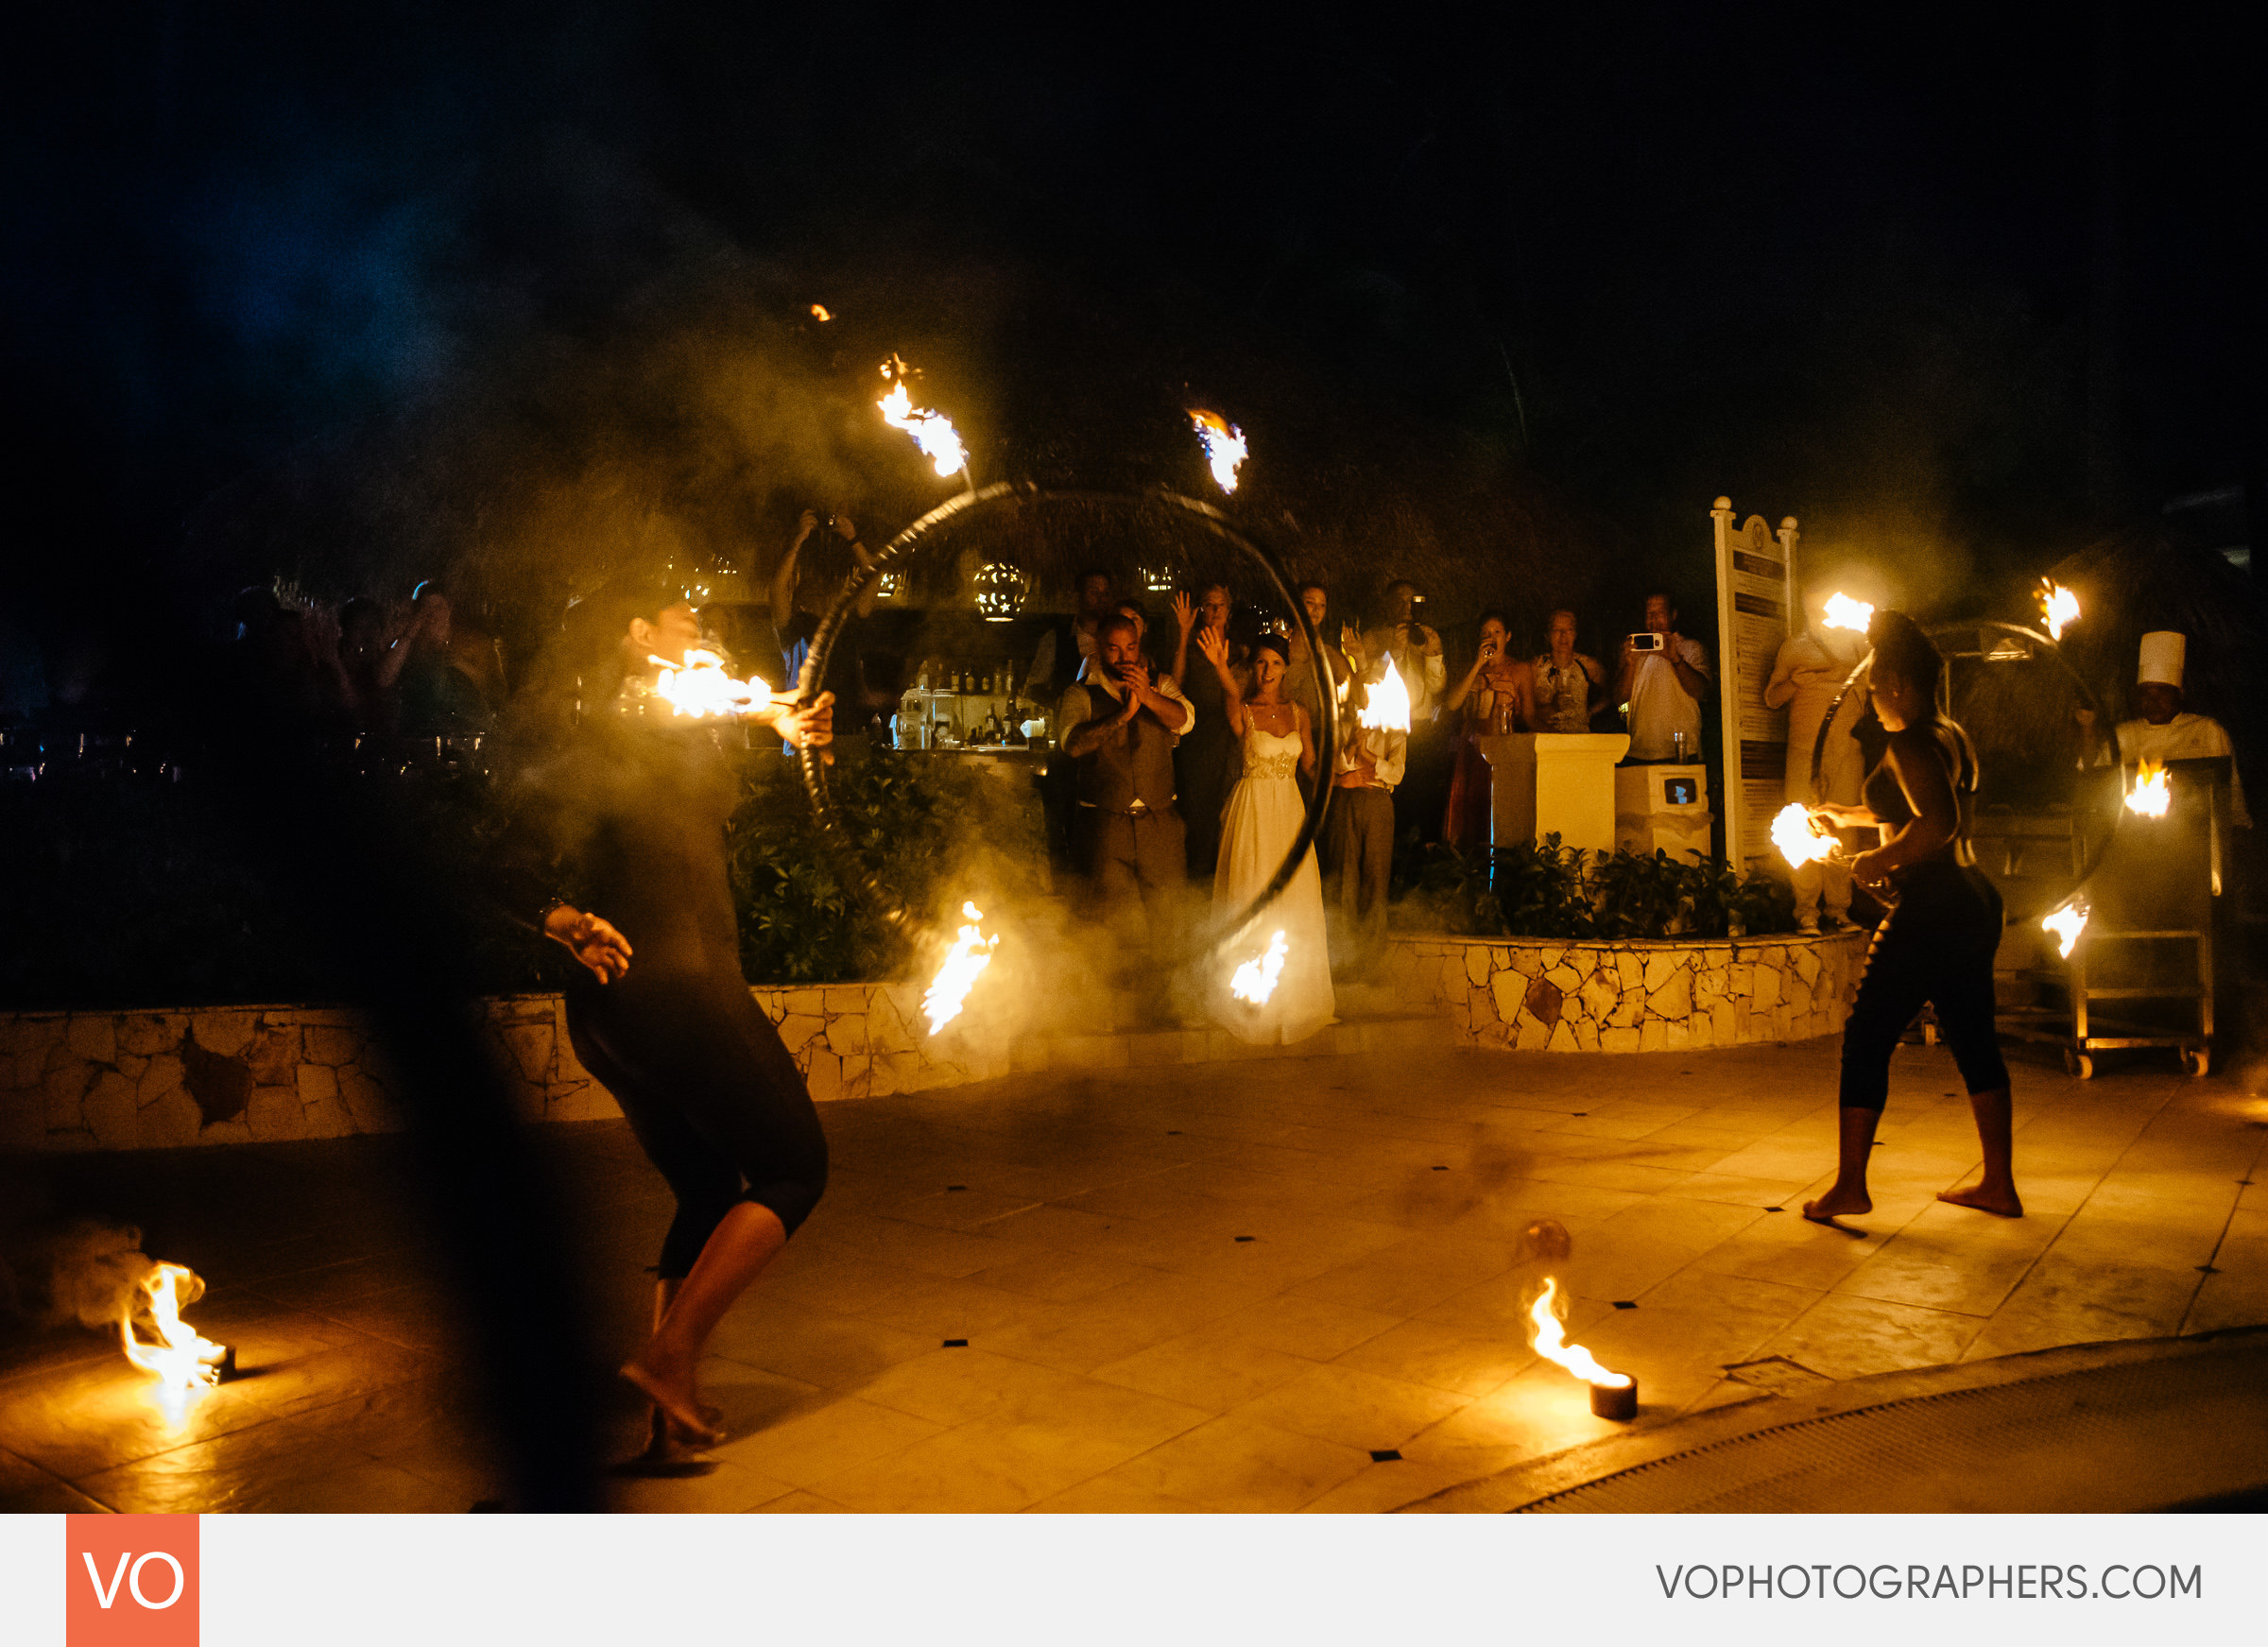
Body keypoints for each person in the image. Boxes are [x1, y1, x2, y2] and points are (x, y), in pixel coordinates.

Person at [497, 577, 835, 1454]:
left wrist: (563, 920)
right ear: (639, 633)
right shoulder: (640, 707)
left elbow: (505, 855)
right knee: (796, 1166)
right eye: (683, 615)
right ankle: (671, 1353)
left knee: (703, 1189)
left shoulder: (600, 724)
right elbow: (673, 713)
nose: (702, 623)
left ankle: (663, 1411)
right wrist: (770, 715)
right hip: (682, 989)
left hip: (609, 1008)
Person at [1799, 609, 2019, 1227]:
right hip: (1972, 903)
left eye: (1873, 688)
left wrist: (1881, 857)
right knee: (1975, 1038)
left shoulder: (1909, 742)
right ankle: (1999, 1183)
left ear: (1895, 681)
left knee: (1866, 1035)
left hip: (1932, 908)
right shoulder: (1949, 733)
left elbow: (1938, 822)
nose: (1869, 700)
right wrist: (1848, 817)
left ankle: (1849, 1186)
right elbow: (1917, 805)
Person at [1195, 627, 1335, 1044]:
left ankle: (1295, 999)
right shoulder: (1243, 709)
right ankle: (1244, 999)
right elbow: (1233, 700)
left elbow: (1310, 764)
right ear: (1252, 667)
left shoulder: (1299, 713)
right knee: (1250, 892)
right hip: (1253, 810)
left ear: (1286, 669)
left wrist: (1344, 765)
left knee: (1296, 899)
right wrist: (1221, 667)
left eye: (1275, 663)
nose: (1267, 670)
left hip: (1290, 812)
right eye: (1260, 662)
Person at [1059, 613, 1196, 969]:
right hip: (1106, 825)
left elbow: (1185, 720)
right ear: (1100, 650)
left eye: (1131, 647)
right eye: (1115, 649)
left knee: (1169, 921)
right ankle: (1110, 1009)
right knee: (1108, 924)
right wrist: (1122, 716)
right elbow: (1072, 744)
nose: (1125, 657)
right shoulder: (1080, 692)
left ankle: (1171, 1004)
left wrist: (1147, 697)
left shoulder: (1161, 684)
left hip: (1159, 824)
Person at [1765, 587, 1871, 931]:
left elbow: (1872, 685)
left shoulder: (1856, 643)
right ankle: (1807, 910)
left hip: (1847, 748)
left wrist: (1842, 677)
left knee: (1845, 826)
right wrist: (1799, 682)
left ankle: (1839, 909)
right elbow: (1772, 697)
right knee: (1805, 823)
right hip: (1803, 750)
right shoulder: (1794, 647)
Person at [2078, 630, 2251, 828]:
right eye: (2146, 694)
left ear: (2180, 694)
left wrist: (2235, 828)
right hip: (2134, 835)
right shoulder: (2124, 734)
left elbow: (2230, 791)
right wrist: (2087, 728)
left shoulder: (2206, 730)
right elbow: (2092, 774)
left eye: (2163, 693)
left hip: (2197, 832)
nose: (2154, 702)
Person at [1324, 640, 1408, 976]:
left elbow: (1396, 772)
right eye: (1368, 683)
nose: (1372, 689)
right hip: (1347, 800)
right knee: (1343, 876)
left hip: (1377, 801)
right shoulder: (1345, 719)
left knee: (1375, 879)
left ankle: (1370, 963)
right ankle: (1340, 961)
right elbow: (1337, 766)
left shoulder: (1396, 728)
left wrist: (1369, 758)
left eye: (1377, 682)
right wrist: (1353, 745)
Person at [1170, 582, 1246, 879]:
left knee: (1226, 801)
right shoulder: (1189, 645)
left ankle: (1221, 870)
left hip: (1229, 731)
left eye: (1220, 606)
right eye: (1209, 605)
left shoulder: (1240, 647)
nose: (1214, 612)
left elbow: (1241, 693)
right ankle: (1196, 870)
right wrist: (1184, 632)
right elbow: (1175, 684)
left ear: (1228, 611)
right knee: (1196, 802)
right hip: (1197, 733)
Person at [1440, 612, 1532, 850]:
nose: (1491, 638)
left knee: (1496, 809)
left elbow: (1529, 715)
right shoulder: (1469, 669)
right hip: (1470, 749)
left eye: (1497, 632)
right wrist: (1477, 664)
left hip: (1502, 749)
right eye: (1485, 633)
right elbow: (1451, 704)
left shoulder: (1520, 669)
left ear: (1508, 636)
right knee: (1466, 814)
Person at [1614, 592, 1711, 762]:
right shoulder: (1634, 652)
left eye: (1660, 613)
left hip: (1682, 752)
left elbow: (1700, 693)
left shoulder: (1690, 648)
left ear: (1673, 615)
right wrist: (1629, 664)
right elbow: (1620, 701)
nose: (1654, 619)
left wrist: (1676, 659)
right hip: (1638, 752)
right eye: (1649, 614)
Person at [1023, 568, 1115, 703]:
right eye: (1094, 592)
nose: (1101, 599)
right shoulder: (1056, 639)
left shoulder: (1117, 638)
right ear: (1078, 597)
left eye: (1105, 593)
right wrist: (1060, 703)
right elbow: (1034, 687)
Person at [1283, 580, 1352, 736]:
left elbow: (1358, 695)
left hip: (1319, 735)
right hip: (1286, 733)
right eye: (1310, 602)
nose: (1317, 610)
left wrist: (1359, 657)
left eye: (1322, 605)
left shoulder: (1329, 654)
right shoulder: (1280, 650)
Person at [1530, 609, 1605, 735]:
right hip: (1545, 740)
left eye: (1568, 630)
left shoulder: (1588, 665)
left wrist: (1590, 712)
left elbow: (1611, 694)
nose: (1563, 635)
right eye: (1557, 630)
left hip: (1579, 738)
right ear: (1548, 636)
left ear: (1575, 634)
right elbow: (1523, 706)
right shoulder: (1535, 666)